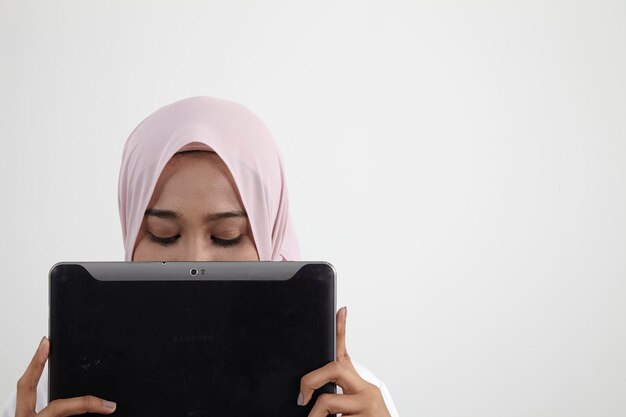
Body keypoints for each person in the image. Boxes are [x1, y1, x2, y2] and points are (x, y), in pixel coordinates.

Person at [2, 96, 400, 417]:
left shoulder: (348, 399)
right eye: (164, 235)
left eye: (227, 237)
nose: (193, 261)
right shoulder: (59, 401)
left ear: (269, 236)